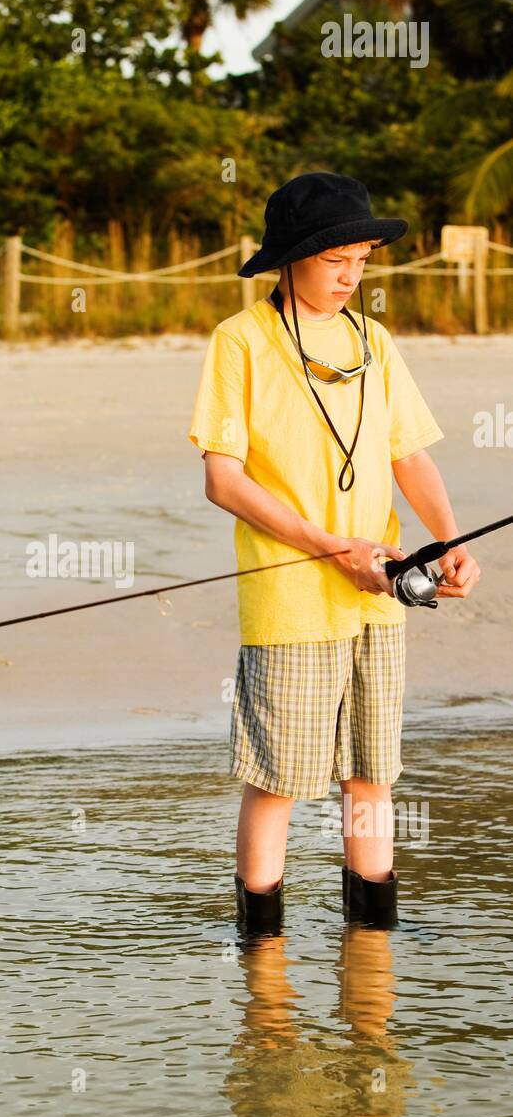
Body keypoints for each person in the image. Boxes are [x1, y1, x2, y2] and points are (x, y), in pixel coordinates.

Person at [188, 172, 480, 935]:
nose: (351, 276)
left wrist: (445, 543)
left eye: (361, 260)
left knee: (371, 777)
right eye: (335, 260)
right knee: (277, 782)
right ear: (290, 259)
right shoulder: (241, 340)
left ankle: (372, 956)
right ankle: (265, 962)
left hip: (376, 596)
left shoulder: (373, 341)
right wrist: (329, 548)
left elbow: (408, 456)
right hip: (289, 599)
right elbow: (223, 479)